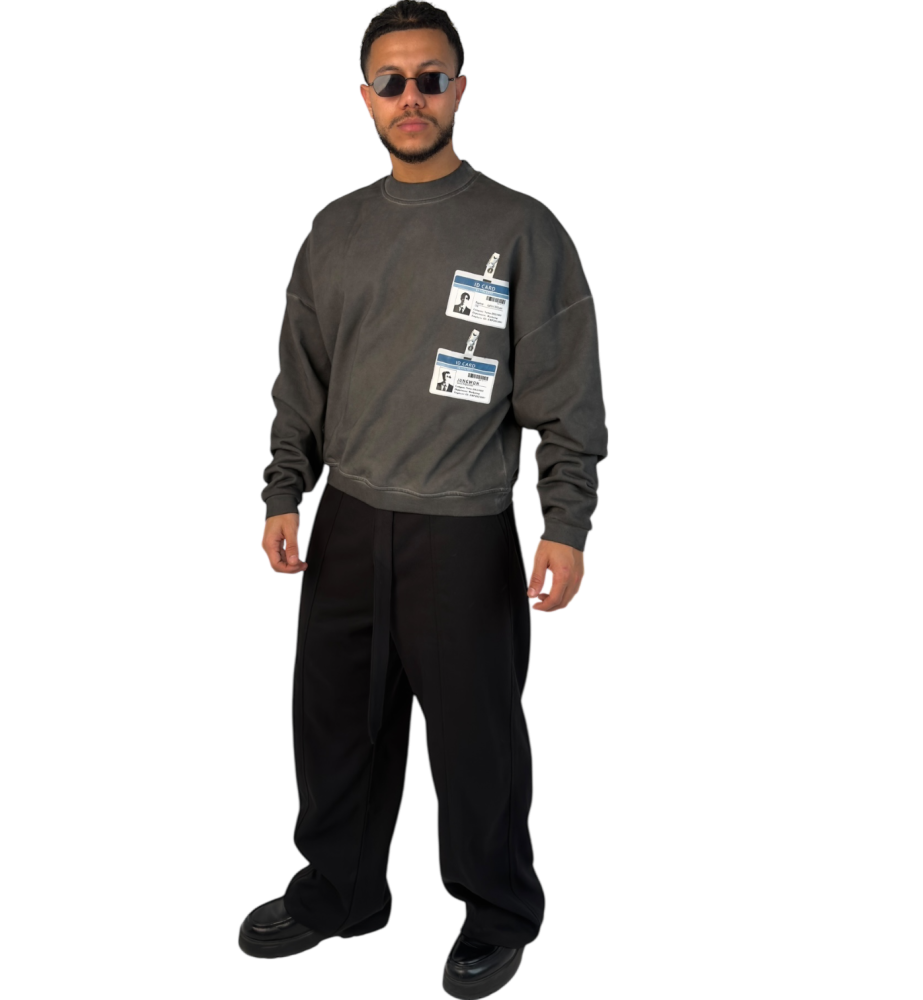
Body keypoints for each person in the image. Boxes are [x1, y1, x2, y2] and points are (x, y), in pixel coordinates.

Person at [244, 3, 609, 997]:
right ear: (365, 100)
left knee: (476, 741)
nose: (413, 97)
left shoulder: (520, 230)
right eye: (392, 81)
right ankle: (338, 894)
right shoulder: (335, 232)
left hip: (464, 526)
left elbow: (567, 396)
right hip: (349, 519)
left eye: (431, 78)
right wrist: (285, 491)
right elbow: (299, 383)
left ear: (460, 91)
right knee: (333, 727)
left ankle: (497, 911)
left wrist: (565, 523)